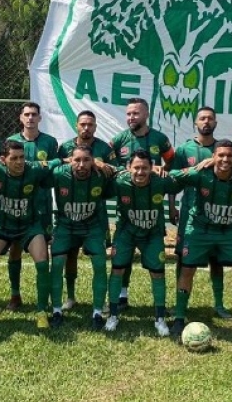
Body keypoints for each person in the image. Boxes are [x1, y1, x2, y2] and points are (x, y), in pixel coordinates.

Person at [168, 140, 232, 338]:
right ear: (213, 157)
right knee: (187, 269)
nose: (225, 159)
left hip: (229, 230)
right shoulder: (201, 173)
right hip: (200, 229)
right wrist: (195, 167)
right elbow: (173, 175)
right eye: (220, 155)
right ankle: (178, 318)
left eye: (229, 156)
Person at [0, 140, 54, 329]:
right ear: (3, 159)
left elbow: (59, 162)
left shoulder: (35, 169)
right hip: (2, 225)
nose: (20, 162)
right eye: (14, 158)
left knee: (43, 264)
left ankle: (42, 312)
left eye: (22, 158)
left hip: (30, 226)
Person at [109, 98, 175, 310]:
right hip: (127, 209)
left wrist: (161, 168)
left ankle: (158, 306)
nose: (131, 117)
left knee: (155, 262)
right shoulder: (119, 139)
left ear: (146, 114)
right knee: (123, 256)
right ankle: (122, 296)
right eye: (128, 114)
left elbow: (172, 159)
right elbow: (108, 162)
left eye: (135, 114)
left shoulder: (160, 139)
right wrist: (123, 171)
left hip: (151, 210)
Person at [108, 150, 182, 335]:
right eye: (136, 168)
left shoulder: (161, 181)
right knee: (117, 269)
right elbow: (101, 174)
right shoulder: (119, 182)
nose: (140, 172)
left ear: (152, 169)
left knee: (158, 273)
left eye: (145, 168)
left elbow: (185, 176)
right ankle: (113, 315)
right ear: (128, 168)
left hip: (152, 234)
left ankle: (159, 319)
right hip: (126, 232)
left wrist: (209, 162)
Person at [169, 106, 229, 318]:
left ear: (215, 123)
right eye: (202, 119)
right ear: (195, 123)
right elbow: (174, 180)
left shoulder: (223, 151)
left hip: (216, 214)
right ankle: (179, 304)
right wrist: (171, 206)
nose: (206, 122)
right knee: (183, 258)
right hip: (190, 212)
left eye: (210, 119)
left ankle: (219, 304)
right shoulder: (184, 149)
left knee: (217, 260)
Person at [56, 110, 116, 311]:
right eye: (83, 124)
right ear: (76, 125)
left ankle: (102, 299)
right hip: (69, 215)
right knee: (70, 254)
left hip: (95, 214)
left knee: (98, 258)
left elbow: (116, 171)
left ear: (95, 127)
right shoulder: (65, 147)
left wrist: (101, 163)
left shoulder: (104, 148)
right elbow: (57, 168)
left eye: (90, 124)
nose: (86, 128)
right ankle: (71, 296)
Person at [50, 145, 115, 330]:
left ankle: (97, 312)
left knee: (100, 264)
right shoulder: (59, 174)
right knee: (56, 264)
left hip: (92, 227)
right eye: (77, 160)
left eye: (86, 160)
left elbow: (128, 172)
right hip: (65, 226)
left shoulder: (102, 174)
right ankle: (56, 310)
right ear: (70, 160)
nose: (81, 164)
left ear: (93, 161)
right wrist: (59, 160)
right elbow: (35, 170)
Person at [4, 102, 59, 310]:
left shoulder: (50, 142)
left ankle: (43, 298)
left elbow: (54, 171)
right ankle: (15, 294)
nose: (30, 118)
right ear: (20, 117)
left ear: (40, 118)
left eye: (34, 114)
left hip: (42, 204)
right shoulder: (12, 142)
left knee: (42, 251)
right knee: (15, 248)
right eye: (26, 114)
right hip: (18, 206)